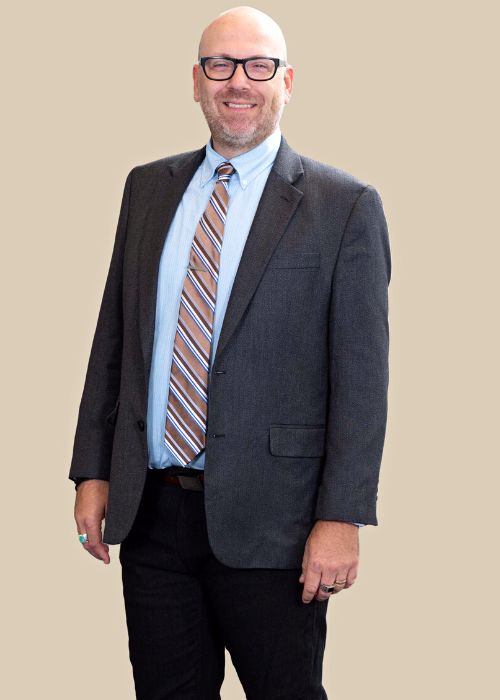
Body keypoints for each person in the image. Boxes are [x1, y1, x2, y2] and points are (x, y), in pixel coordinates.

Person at [69, 5, 391, 699]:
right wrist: (92, 472)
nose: (237, 82)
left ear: (287, 80)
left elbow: (362, 381)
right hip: (151, 514)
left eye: (258, 66)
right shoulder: (148, 189)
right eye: (220, 65)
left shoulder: (344, 205)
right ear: (196, 80)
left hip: (276, 522)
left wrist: (342, 517)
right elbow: (113, 341)